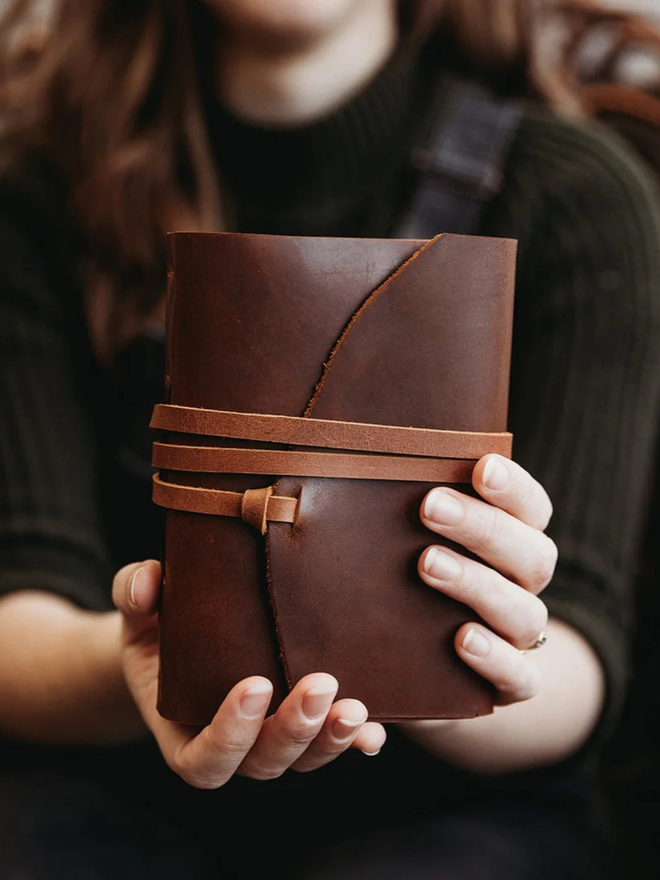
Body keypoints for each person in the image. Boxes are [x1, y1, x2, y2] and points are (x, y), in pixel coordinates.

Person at [0, 0, 659, 877]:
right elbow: (20, 605)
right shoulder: (38, 192)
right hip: (110, 792)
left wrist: (464, 657)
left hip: (458, 808)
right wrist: (141, 661)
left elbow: (582, 656)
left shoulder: (574, 192)